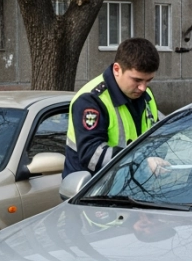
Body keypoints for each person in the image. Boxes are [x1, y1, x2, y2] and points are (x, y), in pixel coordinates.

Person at [64, 37, 162, 177]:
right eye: (137, 80)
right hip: (90, 192)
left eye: (149, 80)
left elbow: (157, 137)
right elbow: (92, 156)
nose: (143, 87)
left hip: (130, 187)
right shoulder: (91, 100)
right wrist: (140, 161)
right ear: (117, 69)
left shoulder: (146, 95)